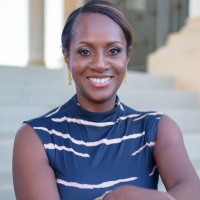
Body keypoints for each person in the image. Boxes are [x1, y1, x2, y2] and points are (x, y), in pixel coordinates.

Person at [12, 0, 200, 199]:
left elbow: (191, 191)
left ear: (127, 57)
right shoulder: (37, 137)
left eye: (113, 51)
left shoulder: (155, 129)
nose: (100, 64)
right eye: (85, 51)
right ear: (67, 57)